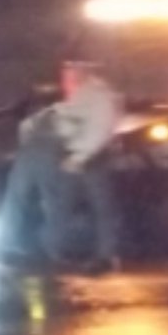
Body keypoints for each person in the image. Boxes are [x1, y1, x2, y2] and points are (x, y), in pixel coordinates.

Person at [54, 61, 125, 273]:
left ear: (80, 73)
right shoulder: (81, 95)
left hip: (92, 158)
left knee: (100, 207)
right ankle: (60, 250)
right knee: (65, 203)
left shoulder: (99, 96)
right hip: (78, 156)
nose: (64, 80)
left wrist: (79, 156)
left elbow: (99, 132)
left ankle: (106, 256)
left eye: (68, 75)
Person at [0, 101, 69, 265]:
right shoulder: (63, 114)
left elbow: (23, 135)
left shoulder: (31, 120)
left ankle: (2, 246)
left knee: (14, 201)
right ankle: (53, 249)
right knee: (54, 203)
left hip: (27, 155)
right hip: (49, 155)